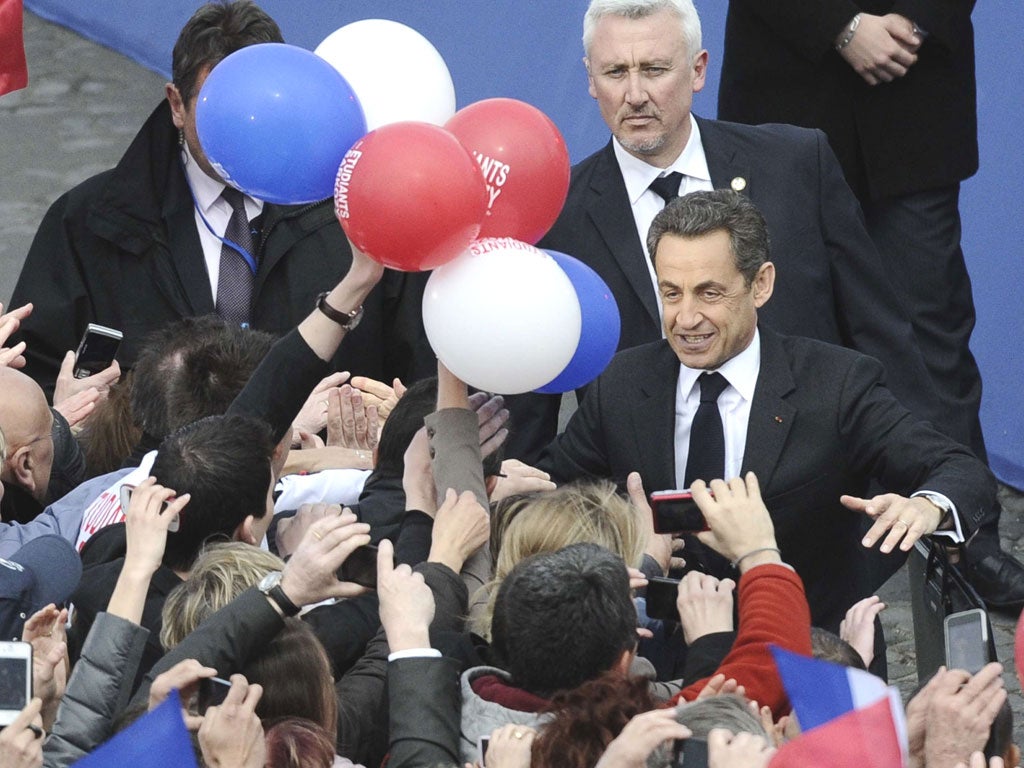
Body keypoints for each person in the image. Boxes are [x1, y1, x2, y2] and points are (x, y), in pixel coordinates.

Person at [538, 190, 998, 639]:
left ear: (761, 284)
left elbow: (958, 470)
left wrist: (925, 505)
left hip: (806, 653)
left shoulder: (836, 384)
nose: (686, 317)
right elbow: (557, 489)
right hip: (660, 662)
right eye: (671, 293)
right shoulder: (619, 382)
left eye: (709, 293)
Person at [508, 0, 942, 465]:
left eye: (654, 69)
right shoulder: (556, 219)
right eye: (615, 72)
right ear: (591, 79)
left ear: (698, 70)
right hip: (641, 511)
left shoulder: (797, 165)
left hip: (815, 493)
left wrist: (928, 485)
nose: (634, 94)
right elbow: (530, 412)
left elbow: (882, 339)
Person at [714, 3, 1023, 611]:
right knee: (789, 319)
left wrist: (913, 17)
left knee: (932, 329)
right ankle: (785, 542)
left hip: (913, 94)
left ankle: (964, 534)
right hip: (787, 87)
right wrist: (838, 25)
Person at [9, 0, 429, 400]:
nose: (247, 130)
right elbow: (32, 387)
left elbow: (423, 375)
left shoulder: (355, 212)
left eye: (261, 108)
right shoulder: (89, 224)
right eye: (223, 111)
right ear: (176, 104)